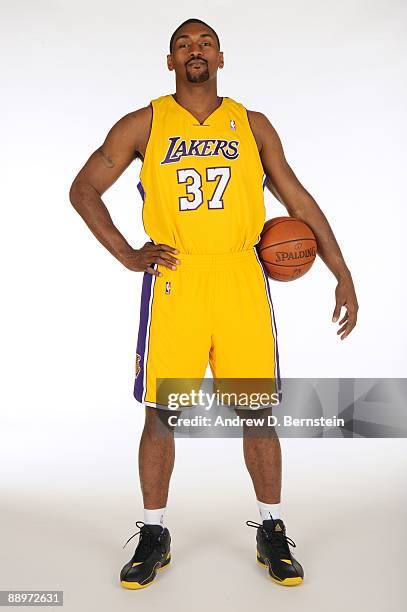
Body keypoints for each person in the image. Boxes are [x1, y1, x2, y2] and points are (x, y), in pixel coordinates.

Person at [69, 17, 359, 589]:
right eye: (184, 44)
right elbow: (82, 188)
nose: (194, 50)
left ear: (221, 58)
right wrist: (128, 254)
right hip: (176, 279)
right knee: (162, 413)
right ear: (170, 60)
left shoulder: (250, 125)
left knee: (257, 412)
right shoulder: (144, 123)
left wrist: (341, 271)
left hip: (240, 277)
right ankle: (154, 533)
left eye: (205, 43)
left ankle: (271, 529)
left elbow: (297, 198)